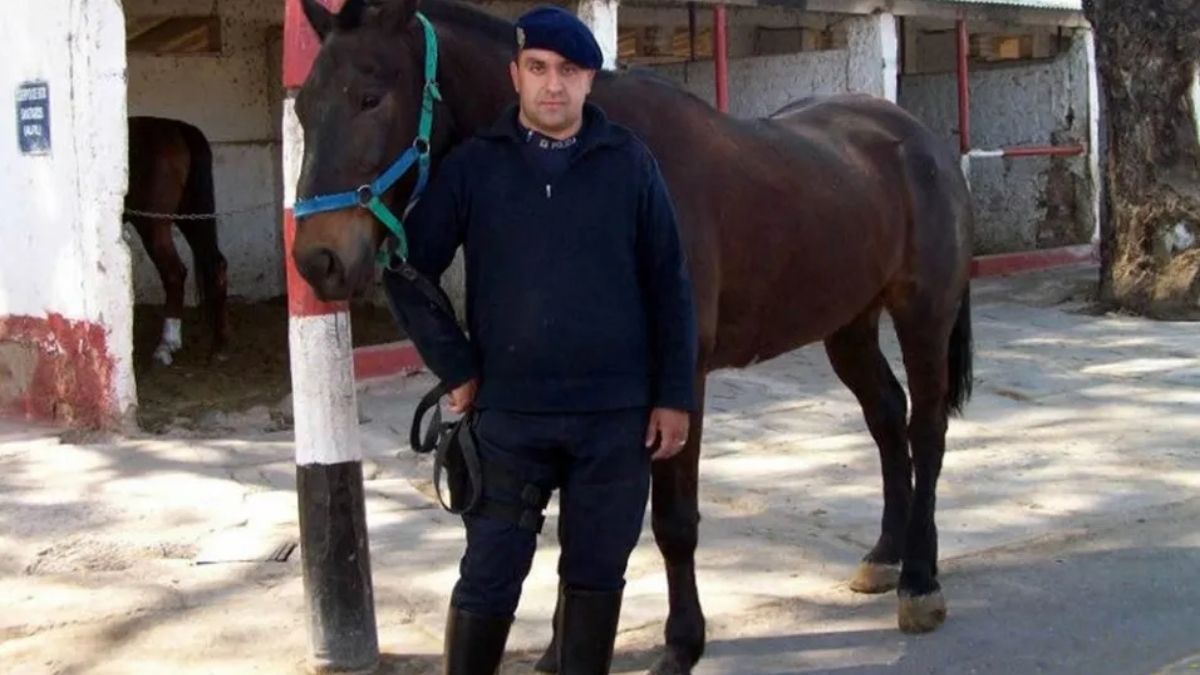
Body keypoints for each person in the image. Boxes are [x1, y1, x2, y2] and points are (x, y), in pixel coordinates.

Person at [383, 5, 697, 674]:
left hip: (614, 422)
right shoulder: (472, 167)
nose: (553, 85)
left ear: (590, 81)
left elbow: (671, 285)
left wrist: (673, 395)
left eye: (570, 71)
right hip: (508, 421)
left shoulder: (630, 163)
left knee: (594, 575)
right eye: (538, 69)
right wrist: (455, 364)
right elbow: (407, 268)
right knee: (489, 575)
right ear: (515, 75)